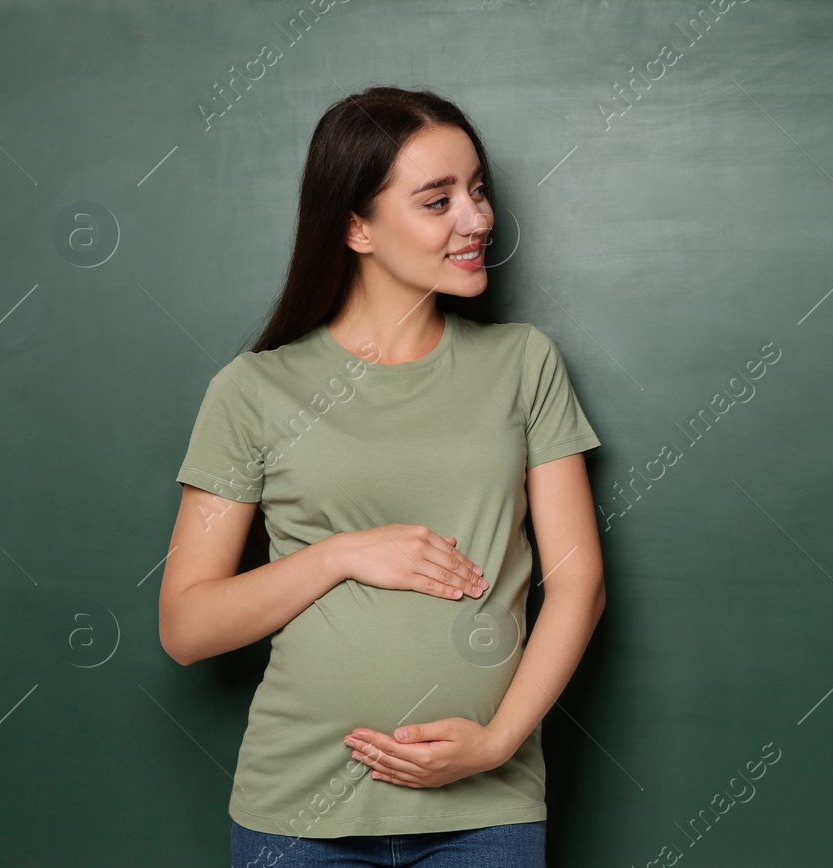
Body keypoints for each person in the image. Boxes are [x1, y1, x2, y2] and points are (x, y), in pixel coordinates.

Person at [158, 86, 605, 867]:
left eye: (477, 190)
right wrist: (340, 554)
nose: (477, 219)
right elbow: (188, 628)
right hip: (296, 815)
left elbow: (578, 585)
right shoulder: (253, 390)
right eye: (438, 201)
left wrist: (497, 743)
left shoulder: (522, 363)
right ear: (355, 226)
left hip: (486, 812)